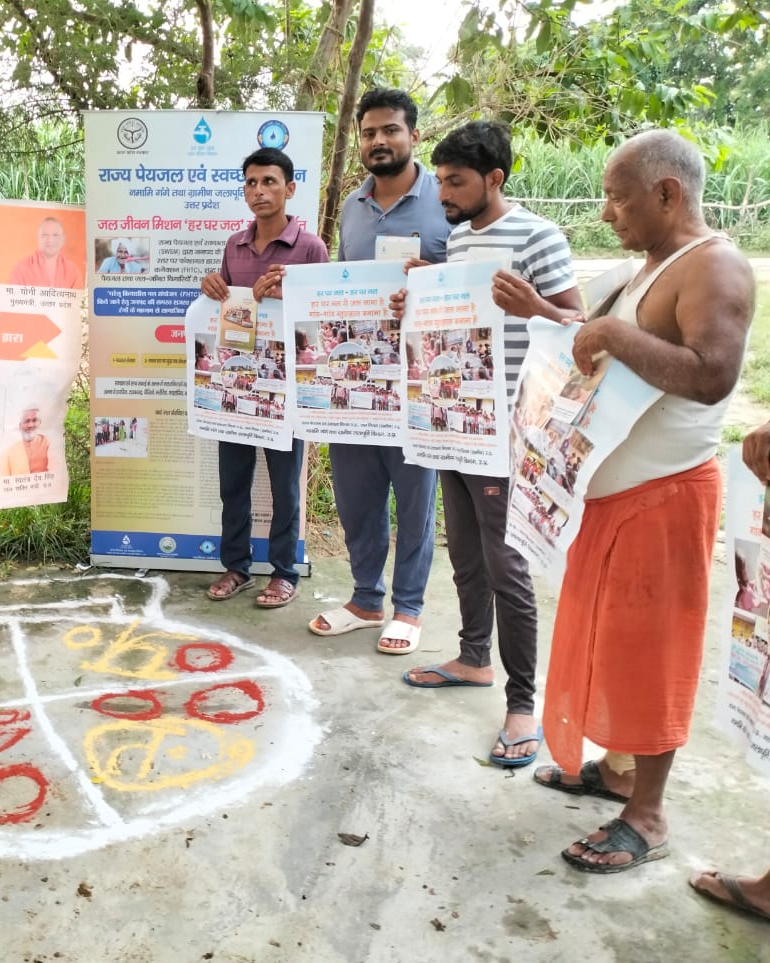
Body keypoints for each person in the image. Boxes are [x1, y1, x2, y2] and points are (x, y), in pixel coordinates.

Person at [531, 129, 754, 872]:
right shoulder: (649, 266)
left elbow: (713, 375)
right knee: (610, 642)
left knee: (653, 652)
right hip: (612, 496)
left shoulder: (715, 266)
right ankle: (619, 770)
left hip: (664, 497)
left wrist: (614, 337)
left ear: (667, 193)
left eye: (618, 199)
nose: (606, 213)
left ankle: (648, 814)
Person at [396, 121, 583, 769]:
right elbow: (464, 319)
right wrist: (424, 291)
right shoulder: (458, 238)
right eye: (440, 180)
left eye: (455, 181)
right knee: (466, 553)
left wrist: (537, 306)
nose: (443, 193)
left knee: (507, 566)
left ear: (495, 178)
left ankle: (522, 703)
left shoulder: (537, 236)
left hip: (508, 430)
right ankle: (474, 657)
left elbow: (582, 328)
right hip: (454, 421)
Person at [308, 89, 450, 655]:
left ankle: (408, 609)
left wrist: (431, 278)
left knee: (415, 497)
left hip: (420, 378)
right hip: (355, 379)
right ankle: (366, 599)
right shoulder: (352, 207)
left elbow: (469, 281)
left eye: (390, 130)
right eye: (368, 133)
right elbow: (342, 284)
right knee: (356, 494)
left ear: (414, 134)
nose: (378, 141)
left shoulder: (445, 199)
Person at [200, 147, 328, 608]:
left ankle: (284, 572)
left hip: (286, 388)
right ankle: (236, 567)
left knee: (284, 487)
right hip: (237, 384)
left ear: (289, 188)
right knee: (233, 482)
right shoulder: (234, 245)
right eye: (251, 183)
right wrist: (211, 287)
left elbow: (321, 319)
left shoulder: (310, 248)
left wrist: (285, 297)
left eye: (269, 181)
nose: (259, 191)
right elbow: (227, 308)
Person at [9, 216, 83, 288]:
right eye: (44, 235)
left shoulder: (73, 272)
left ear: (63, 239)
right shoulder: (21, 269)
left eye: (55, 235)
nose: (50, 240)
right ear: (38, 238)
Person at [0, 405, 49, 475]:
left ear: (39, 423)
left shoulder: (48, 444)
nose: (30, 425)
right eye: (26, 421)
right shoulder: (10, 450)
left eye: (34, 420)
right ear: (20, 426)